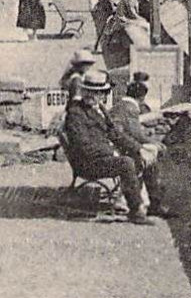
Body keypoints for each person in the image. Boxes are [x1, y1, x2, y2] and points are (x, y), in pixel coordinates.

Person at [61, 69, 149, 224]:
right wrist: (112, 152)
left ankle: (146, 202)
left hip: (100, 158)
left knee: (139, 156)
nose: (96, 97)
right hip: (88, 163)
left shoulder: (97, 110)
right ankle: (136, 211)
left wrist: (139, 148)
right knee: (126, 163)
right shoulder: (75, 114)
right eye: (91, 92)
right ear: (84, 92)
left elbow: (116, 134)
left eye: (100, 93)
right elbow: (83, 146)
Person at [111, 76, 176, 219]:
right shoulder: (131, 107)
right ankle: (155, 201)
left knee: (148, 156)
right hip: (119, 150)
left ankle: (150, 198)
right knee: (152, 156)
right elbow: (136, 134)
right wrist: (154, 142)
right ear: (141, 97)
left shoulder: (118, 105)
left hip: (114, 146)